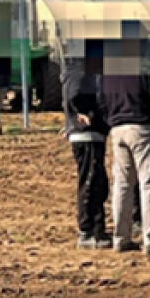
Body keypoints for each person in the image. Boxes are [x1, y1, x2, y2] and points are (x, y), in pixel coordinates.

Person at [100, 55, 150, 255]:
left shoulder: (108, 71)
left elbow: (101, 100)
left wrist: (112, 121)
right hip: (144, 128)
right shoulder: (146, 66)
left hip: (118, 129)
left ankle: (121, 237)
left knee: (122, 185)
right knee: (149, 183)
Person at [62, 57, 111, 249]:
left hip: (90, 134)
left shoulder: (77, 69)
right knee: (92, 183)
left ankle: (95, 229)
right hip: (87, 135)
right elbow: (74, 95)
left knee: (96, 182)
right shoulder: (81, 70)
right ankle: (89, 230)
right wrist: (82, 114)